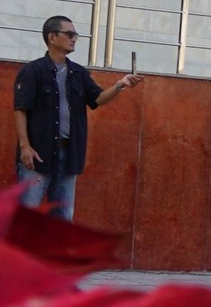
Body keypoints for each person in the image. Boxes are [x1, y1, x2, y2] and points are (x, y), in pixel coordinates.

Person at [13, 15, 140, 220]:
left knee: (63, 218)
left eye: (75, 35)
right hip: (37, 155)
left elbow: (98, 98)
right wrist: (24, 146)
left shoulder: (78, 73)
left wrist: (121, 84)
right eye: (69, 34)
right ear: (52, 37)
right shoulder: (33, 71)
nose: (74, 39)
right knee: (26, 217)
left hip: (68, 154)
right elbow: (20, 108)